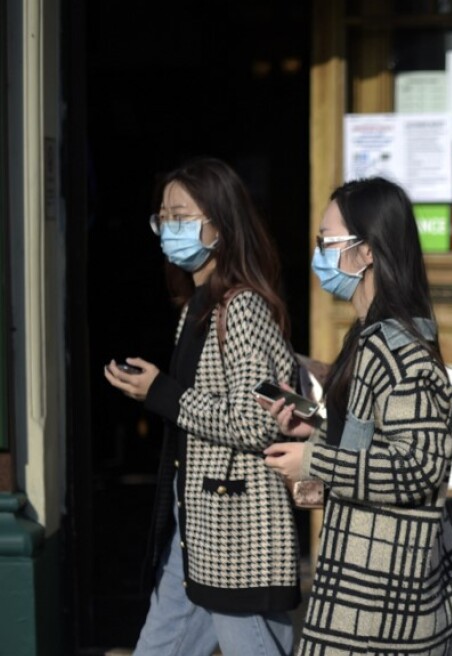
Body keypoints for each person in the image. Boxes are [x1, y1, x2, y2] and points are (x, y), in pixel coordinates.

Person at [261, 177, 452, 655]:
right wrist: (313, 432)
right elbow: (368, 453)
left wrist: (314, 460)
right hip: (361, 588)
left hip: (383, 602)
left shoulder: (398, 350)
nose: (318, 253)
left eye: (328, 241)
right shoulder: (366, 338)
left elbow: (417, 467)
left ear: (368, 252)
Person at [103, 157, 300, 655]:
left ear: (222, 224)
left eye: (184, 217)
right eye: (164, 218)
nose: (171, 228)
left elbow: (255, 420)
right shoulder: (195, 306)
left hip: (237, 530)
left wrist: (161, 393)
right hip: (196, 520)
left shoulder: (242, 307)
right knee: (158, 646)